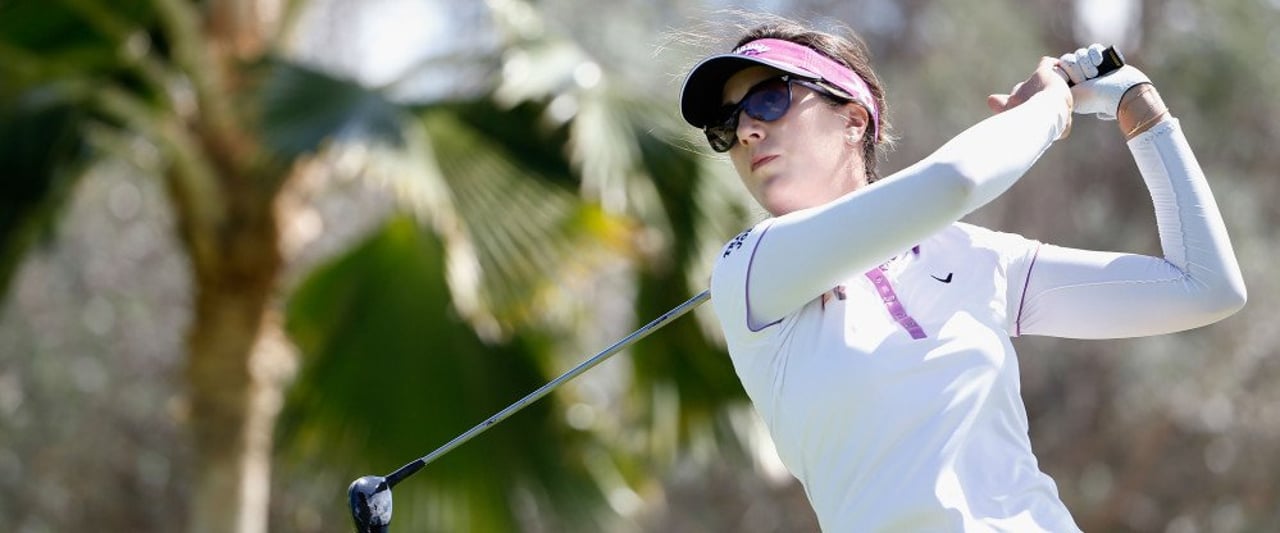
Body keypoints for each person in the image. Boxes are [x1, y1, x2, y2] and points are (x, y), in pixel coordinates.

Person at [679, 17, 1247, 532]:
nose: (747, 130)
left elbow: (1205, 287)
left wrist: (1137, 108)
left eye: (770, 100)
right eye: (727, 124)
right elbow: (957, 180)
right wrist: (1050, 109)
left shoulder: (976, 257)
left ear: (853, 120)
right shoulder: (751, 269)